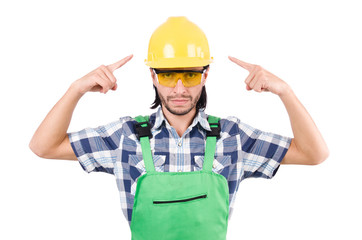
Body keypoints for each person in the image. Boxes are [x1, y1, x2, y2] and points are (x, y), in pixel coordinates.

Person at [29, 16, 329, 240]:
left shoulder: (232, 137)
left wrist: (285, 91)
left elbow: (314, 153)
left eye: (190, 74)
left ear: (206, 75)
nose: (181, 88)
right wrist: (75, 90)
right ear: (153, 76)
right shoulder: (125, 137)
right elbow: (43, 146)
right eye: (170, 75)